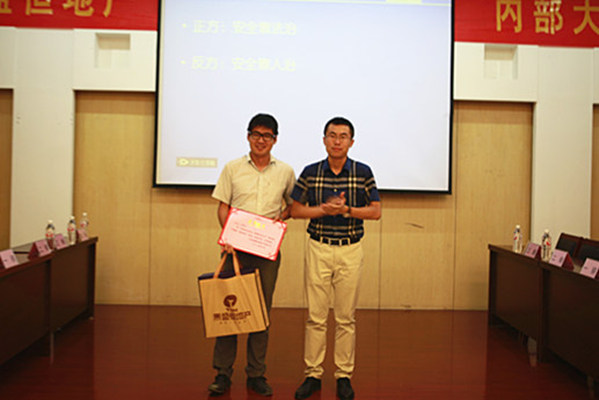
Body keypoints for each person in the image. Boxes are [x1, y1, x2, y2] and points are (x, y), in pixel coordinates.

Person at [290, 117, 381, 400]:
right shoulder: (311, 171)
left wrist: (346, 210)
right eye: (332, 135)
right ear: (324, 140)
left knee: (345, 318)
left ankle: (343, 376)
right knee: (315, 317)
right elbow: (295, 210)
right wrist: (323, 210)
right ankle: (313, 374)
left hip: (350, 249)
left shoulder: (363, 172)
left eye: (343, 136)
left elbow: (376, 211)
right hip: (318, 247)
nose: (337, 141)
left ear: (351, 142)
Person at [208, 113, 296, 396]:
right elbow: (223, 206)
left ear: (275, 140)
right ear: (248, 136)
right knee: (229, 310)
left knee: (260, 312)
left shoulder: (285, 171)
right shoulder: (232, 168)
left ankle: (256, 374)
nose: (261, 140)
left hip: (266, 251)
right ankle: (223, 373)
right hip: (234, 251)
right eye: (256, 134)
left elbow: (292, 206)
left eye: (267, 136)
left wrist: (277, 222)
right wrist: (228, 236)